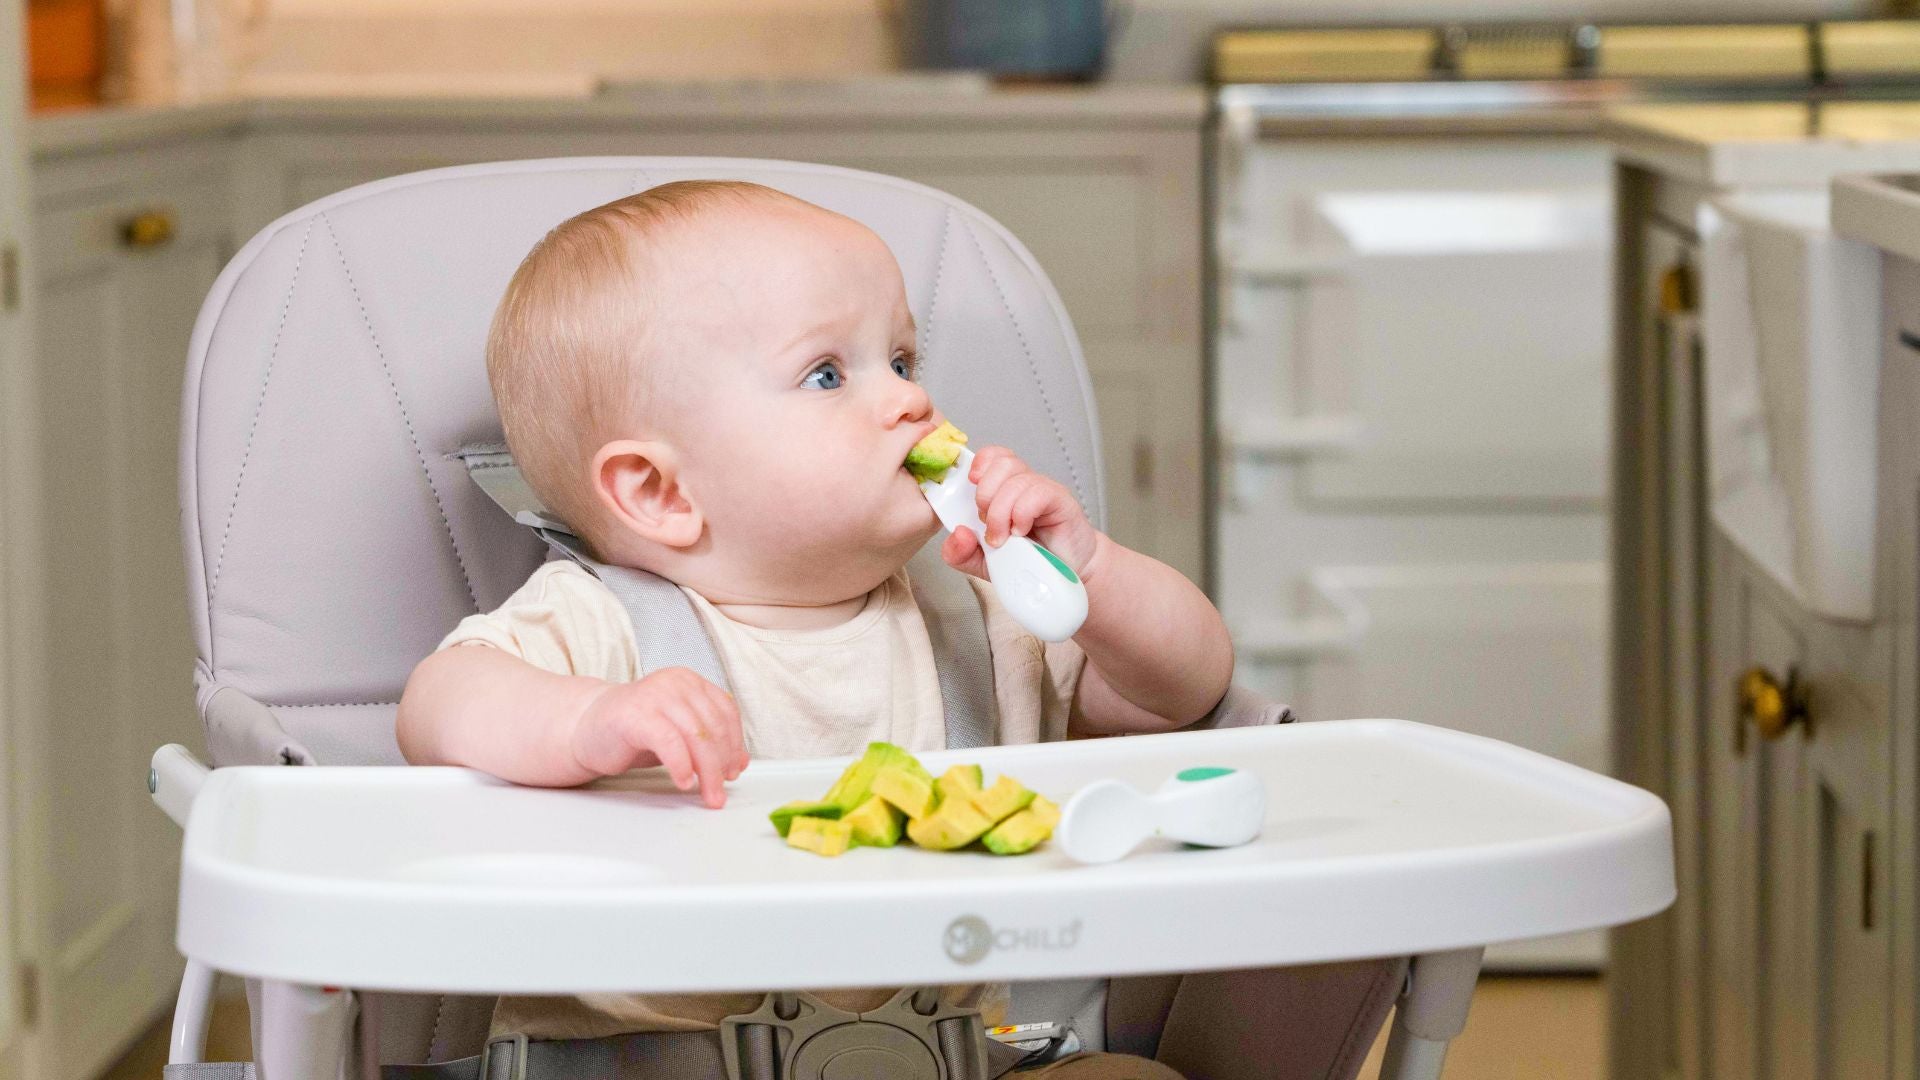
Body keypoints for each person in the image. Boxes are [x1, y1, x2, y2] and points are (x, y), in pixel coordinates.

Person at [396, 179, 1234, 1077]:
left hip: (954, 1056)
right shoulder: (605, 628)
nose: (910, 403)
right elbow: (436, 707)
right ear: (661, 492)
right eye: (828, 375)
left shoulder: (982, 612)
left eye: (904, 360)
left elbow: (1185, 690)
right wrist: (591, 722)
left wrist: (1091, 575)